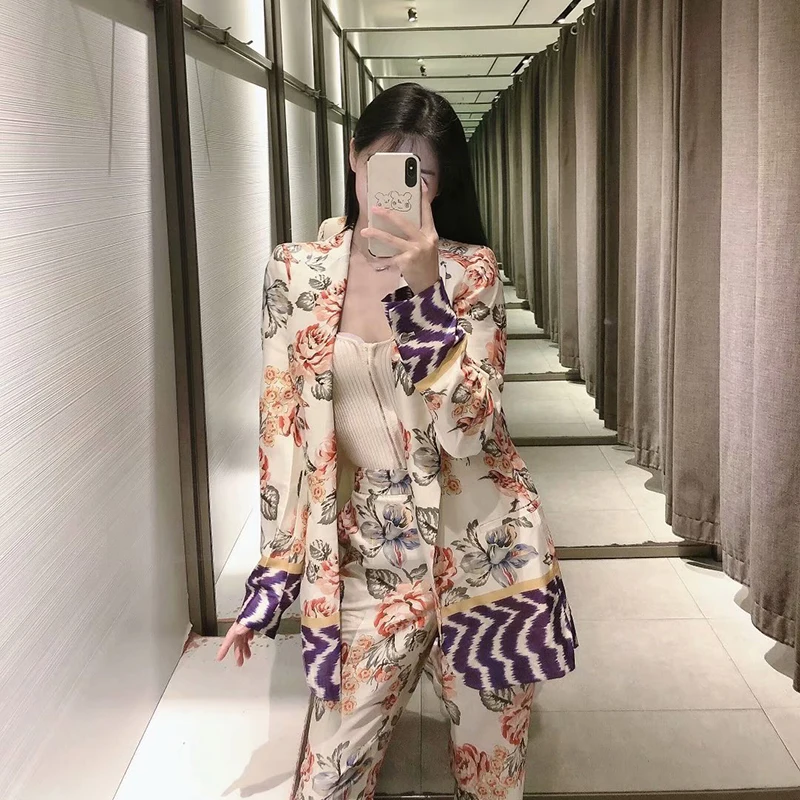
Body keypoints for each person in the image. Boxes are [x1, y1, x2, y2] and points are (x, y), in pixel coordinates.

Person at [217, 82, 578, 800]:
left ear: (440, 186)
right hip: (367, 559)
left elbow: (470, 431)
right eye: (385, 163)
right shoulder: (295, 272)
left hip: (487, 551)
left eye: (423, 173)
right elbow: (282, 429)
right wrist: (276, 571)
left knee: (492, 777)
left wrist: (425, 298)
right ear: (355, 158)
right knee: (329, 778)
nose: (399, 187)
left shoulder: (470, 272)